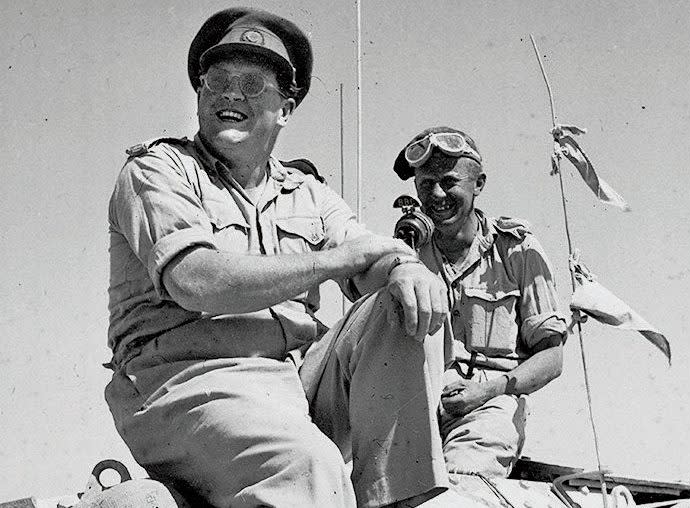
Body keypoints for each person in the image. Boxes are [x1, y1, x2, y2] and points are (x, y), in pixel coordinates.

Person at [104, 8, 457, 508]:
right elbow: (195, 279)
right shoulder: (158, 171)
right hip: (185, 384)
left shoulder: (305, 191)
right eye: (216, 81)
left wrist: (405, 268)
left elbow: (370, 256)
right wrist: (334, 262)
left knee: (404, 302)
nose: (230, 95)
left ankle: (398, 499)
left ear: (285, 108)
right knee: (307, 464)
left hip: (291, 381)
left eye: (251, 84)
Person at [392, 127, 569, 478]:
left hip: (488, 406)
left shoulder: (518, 251)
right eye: (426, 184)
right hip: (411, 405)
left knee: (461, 484)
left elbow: (552, 356)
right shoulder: (403, 254)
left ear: (479, 184)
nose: (437, 194)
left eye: (449, 182)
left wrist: (488, 389)